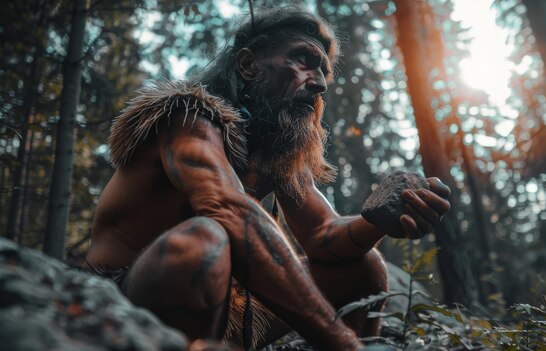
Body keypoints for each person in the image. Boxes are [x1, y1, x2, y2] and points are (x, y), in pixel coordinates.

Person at [85, 6, 451, 351]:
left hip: (230, 309)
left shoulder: (276, 155)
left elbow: (322, 234)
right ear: (248, 64)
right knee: (202, 241)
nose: (319, 83)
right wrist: (342, 341)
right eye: (304, 60)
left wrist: (376, 221)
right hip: (119, 299)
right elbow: (229, 210)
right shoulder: (188, 118)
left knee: (364, 267)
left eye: (324, 71)